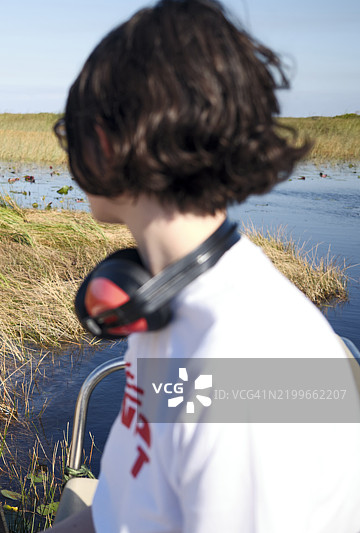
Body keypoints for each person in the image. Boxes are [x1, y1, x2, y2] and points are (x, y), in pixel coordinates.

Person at [46, 0, 360, 531]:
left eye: (72, 129)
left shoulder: (249, 364)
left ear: (106, 139)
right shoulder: (169, 301)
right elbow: (121, 510)